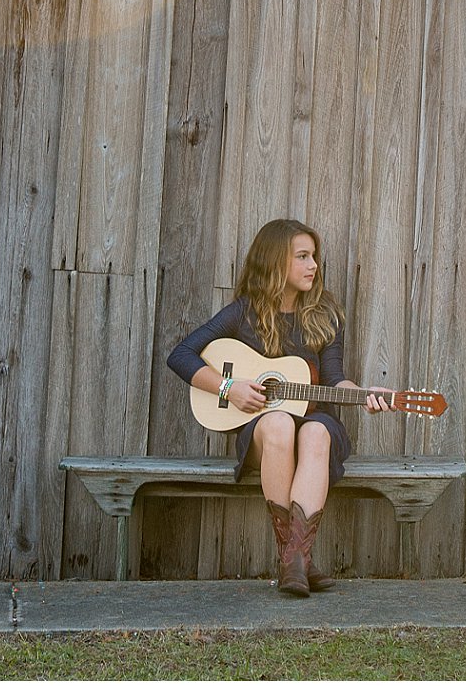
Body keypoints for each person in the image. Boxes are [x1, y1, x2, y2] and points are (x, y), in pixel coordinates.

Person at [167, 218, 392, 597]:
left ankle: (294, 561)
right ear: (275, 262)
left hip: (316, 421)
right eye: (302, 256)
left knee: (316, 430)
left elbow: (335, 379)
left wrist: (365, 395)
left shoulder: (326, 315)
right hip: (265, 432)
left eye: (314, 256)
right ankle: (298, 561)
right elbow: (181, 355)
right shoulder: (243, 312)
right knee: (278, 424)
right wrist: (230, 388)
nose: (313, 265)